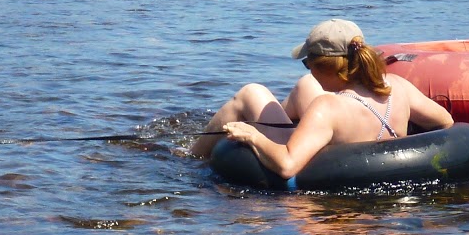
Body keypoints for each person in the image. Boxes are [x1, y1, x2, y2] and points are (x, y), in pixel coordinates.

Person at [192, 19, 453, 175]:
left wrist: (253, 136)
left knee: (251, 93)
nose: (308, 70)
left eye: (308, 64)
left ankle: (191, 161)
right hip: (370, 147)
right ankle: (282, 120)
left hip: (320, 162)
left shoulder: (328, 107)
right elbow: (445, 122)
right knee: (305, 87)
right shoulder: (398, 87)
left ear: (325, 67)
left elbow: (287, 166)